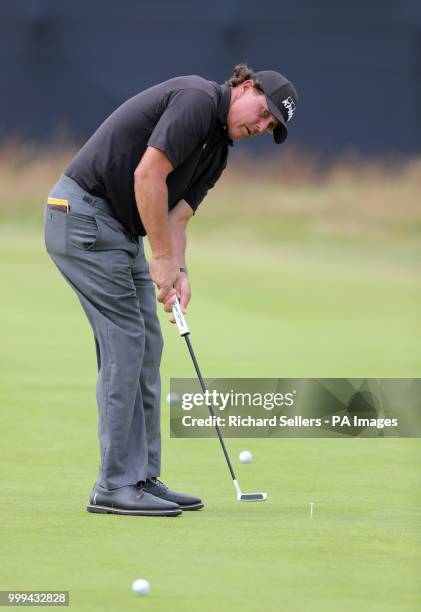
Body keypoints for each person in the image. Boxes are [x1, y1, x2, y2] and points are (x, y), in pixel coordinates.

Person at [44, 63, 298, 517]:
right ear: (246, 86)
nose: (258, 126)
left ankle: (141, 477)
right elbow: (148, 176)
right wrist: (160, 259)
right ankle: (114, 485)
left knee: (148, 343)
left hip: (115, 230)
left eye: (269, 127)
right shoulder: (198, 99)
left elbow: (177, 217)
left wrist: (178, 271)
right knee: (126, 342)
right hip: (81, 215)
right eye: (262, 112)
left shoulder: (218, 150)